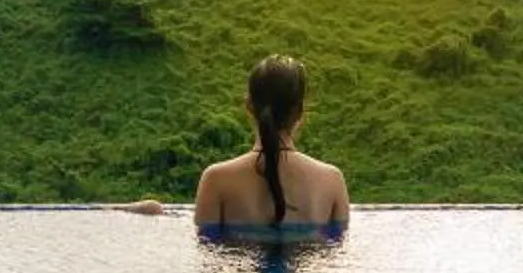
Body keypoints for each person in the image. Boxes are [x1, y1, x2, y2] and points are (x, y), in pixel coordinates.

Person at [113, 53, 351, 239]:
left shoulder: (217, 179)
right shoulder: (331, 181)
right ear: (300, 111)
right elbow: (336, 250)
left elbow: (208, 251)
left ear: (249, 106)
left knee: (152, 208)